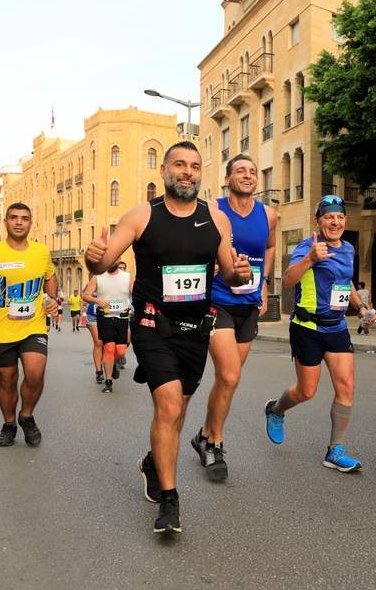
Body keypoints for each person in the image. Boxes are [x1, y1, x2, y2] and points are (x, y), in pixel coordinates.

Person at [85, 140, 251, 535]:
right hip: (150, 325)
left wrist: (239, 274)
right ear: (163, 170)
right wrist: (93, 256)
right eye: (179, 164)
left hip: (196, 328)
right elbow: (104, 261)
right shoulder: (142, 215)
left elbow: (227, 273)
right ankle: (170, 500)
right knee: (170, 405)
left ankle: (150, 462)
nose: (188, 172)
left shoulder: (216, 219)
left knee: (177, 414)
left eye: (194, 166)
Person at [263, 195, 374, 473]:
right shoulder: (308, 247)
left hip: (336, 328)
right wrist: (311, 258)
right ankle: (276, 410)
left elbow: (344, 281)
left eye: (339, 217)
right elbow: (288, 279)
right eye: (328, 217)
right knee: (306, 391)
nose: (334, 222)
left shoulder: (347, 249)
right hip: (307, 328)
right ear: (318, 221)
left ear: (345, 220)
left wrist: (360, 308)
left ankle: (335, 450)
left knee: (346, 388)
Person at [190, 153, 277, 481]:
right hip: (219, 301)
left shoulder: (269, 214)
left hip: (249, 304)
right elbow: (196, 243)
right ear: (227, 179)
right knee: (228, 376)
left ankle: (203, 434)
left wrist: (265, 281)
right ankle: (214, 442)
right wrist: (207, 265)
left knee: (229, 378)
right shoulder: (213, 209)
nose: (248, 175)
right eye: (240, 170)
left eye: (253, 171)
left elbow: (269, 248)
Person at [0, 202, 59, 448]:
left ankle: (26, 416)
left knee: (35, 373)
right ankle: (9, 423)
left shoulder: (41, 252)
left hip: (33, 325)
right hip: (0, 329)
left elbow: (50, 276)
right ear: (5, 222)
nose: (19, 222)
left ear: (31, 223)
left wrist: (53, 300)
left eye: (25, 218)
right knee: (7, 380)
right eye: (14, 218)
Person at [82, 261, 132, 393]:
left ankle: (113, 365)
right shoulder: (98, 277)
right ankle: (108, 381)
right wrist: (97, 300)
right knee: (108, 347)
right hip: (104, 317)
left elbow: (136, 293)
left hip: (122, 317)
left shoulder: (127, 277)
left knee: (121, 350)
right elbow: (85, 295)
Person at [115, 261, 131, 370]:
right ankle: (117, 357)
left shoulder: (129, 279)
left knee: (128, 339)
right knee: (116, 338)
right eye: (119, 267)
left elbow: (133, 292)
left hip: (127, 313)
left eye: (123, 268)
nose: (122, 269)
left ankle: (120, 355)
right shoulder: (112, 279)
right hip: (115, 313)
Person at [83, 301, 103, 383]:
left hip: (111, 314)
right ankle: (99, 371)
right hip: (93, 315)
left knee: (108, 343)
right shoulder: (92, 287)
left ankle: (112, 364)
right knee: (98, 342)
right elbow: (84, 294)